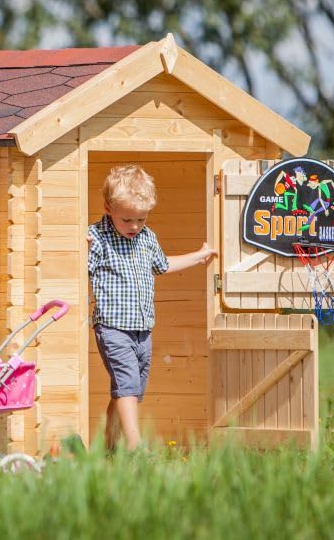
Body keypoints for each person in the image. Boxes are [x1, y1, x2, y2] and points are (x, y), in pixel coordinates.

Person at [87, 165, 216, 451]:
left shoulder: (147, 238)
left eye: (141, 219)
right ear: (108, 208)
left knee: (128, 390)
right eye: (127, 219)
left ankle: (108, 446)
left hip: (143, 330)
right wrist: (78, 246)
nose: (134, 226)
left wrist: (199, 256)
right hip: (113, 327)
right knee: (127, 385)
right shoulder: (97, 238)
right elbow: (76, 265)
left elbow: (164, 265)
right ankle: (135, 447)